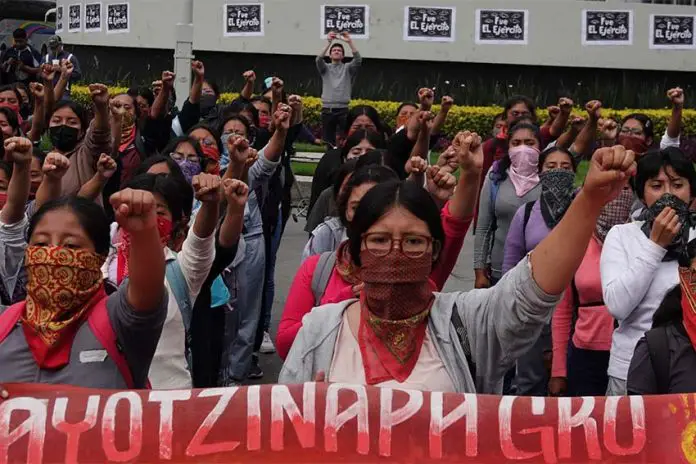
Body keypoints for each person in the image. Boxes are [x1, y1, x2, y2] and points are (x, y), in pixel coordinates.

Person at [280, 141, 637, 392]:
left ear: (434, 251)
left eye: (414, 242)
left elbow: (531, 291)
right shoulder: (320, 331)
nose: (396, 252)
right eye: (378, 240)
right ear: (357, 248)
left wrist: (589, 199)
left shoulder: (466, 323)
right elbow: (282, 430)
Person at [278, 132, 484, 360]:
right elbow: (286, 344)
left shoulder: (415, 267)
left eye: (379, 209)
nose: (368, 219)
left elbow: (454, 225)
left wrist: (471, 173)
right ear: (344, 210)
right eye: (359, 207)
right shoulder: (318, 269)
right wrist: (342, 305)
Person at [0, 136, 168, 389]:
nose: (54, 254)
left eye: (71, 246)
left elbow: (148, 290)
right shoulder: (5, 323)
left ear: (99, 256)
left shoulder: (118, 321)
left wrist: (143, 230)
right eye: (42, 244)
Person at [104, 172, 221, 389]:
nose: (145, 218)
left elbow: (201, 239)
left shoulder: (180, 270)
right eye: (137, 208)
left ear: (175, 222)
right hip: (108, 405)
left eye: (158, 212)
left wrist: (210, 204)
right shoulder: (96, 266)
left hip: (169, 404)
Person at [601, 147, 696, 396]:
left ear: (691, 193)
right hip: (631, 368)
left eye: (677, 185)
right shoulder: (622, 236)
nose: (668, 195)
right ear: (642, 194)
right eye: (656, 185)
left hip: (689, 371)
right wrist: (655, 246)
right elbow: (618, 306)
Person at [500, 146, 577, 396]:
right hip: (533, 312)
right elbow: (510, 263)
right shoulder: (527, 213)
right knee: (530, 383)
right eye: (551, 167)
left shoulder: (583, 212)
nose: (558, 173)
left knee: (570, 385)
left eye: (565, 168)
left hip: (576, 313)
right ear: (540, 173)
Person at [550, 186, 633, 397]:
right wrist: (558, 369)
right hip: (586, 355)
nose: (616, 199)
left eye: (624, 189)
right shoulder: (578, 243)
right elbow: (563, 310)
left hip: (632, 356)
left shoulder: (641, 241)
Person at [474, 122, 543, 288]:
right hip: (500, 272)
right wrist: (480, 271)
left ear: (540, 147)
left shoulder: (549, 177)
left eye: (529, 143)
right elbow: (484, 227)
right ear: (508, 147)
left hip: (541, 273)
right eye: (516, 143)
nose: (523, 149)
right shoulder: (496, 176)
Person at [308, 128, 386, 221]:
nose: (363, 156)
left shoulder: (389, 192)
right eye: (356, 152)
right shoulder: (329, 195)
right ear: (345, 157)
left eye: (370, 152)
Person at [316, 31, 362, 146]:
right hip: (328, 109)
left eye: (339, 51)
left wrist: (349, 42)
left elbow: (358, 60)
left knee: (346, 139)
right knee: (328, 142)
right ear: (330, 55)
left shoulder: (347, 68)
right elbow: (318, 60)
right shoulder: (325, 68)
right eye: (334, 50)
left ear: (342, 56)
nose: (337, 52)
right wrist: (329, 43)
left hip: (343, 110)